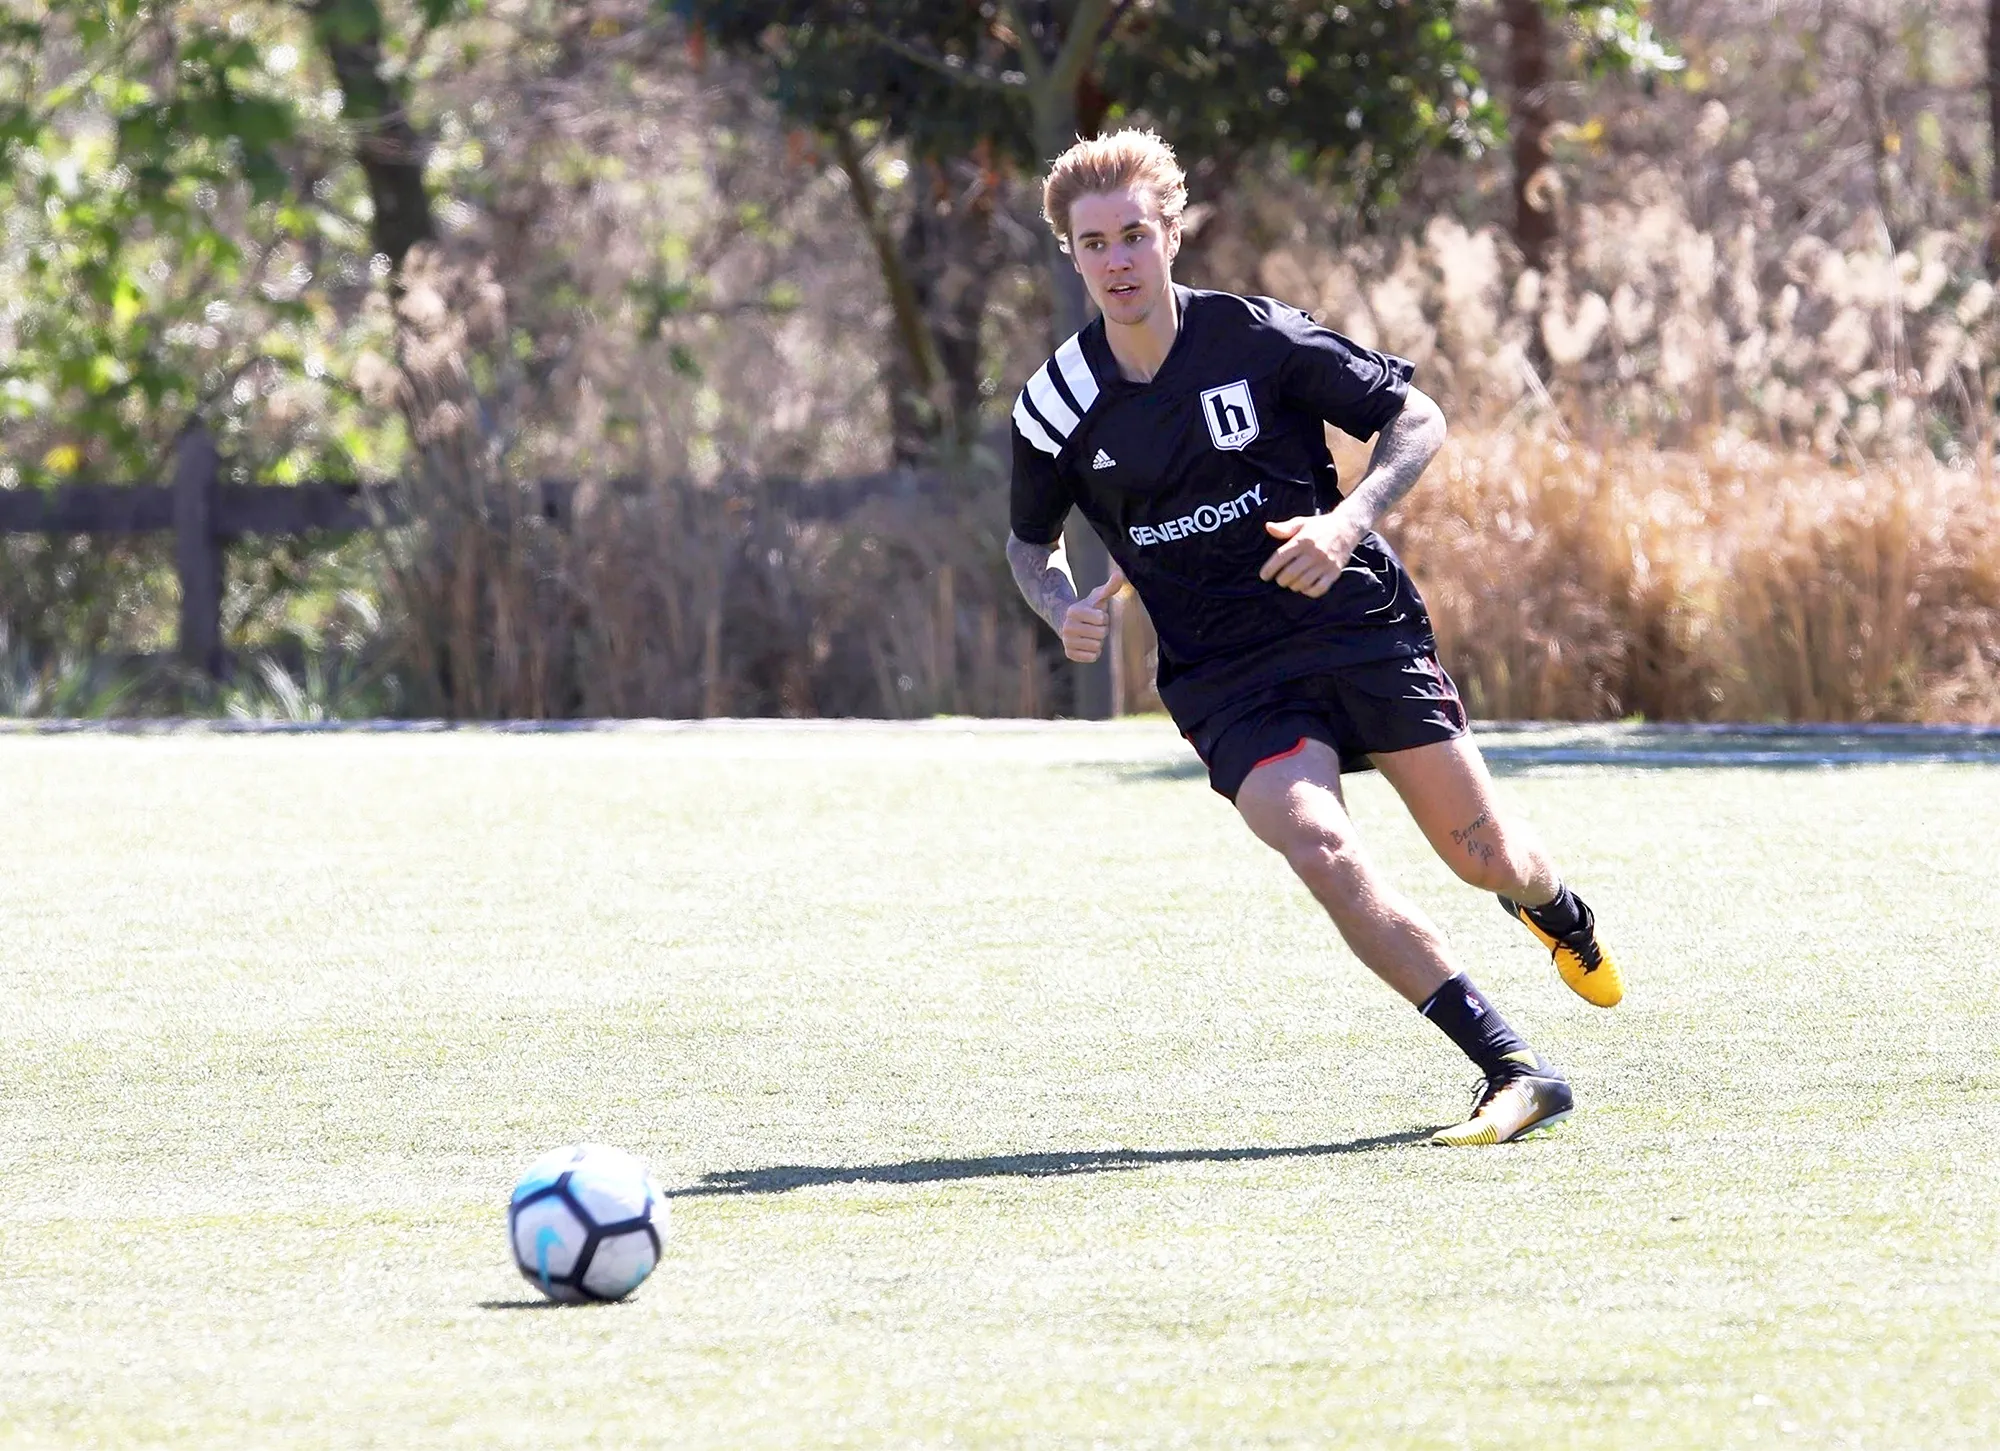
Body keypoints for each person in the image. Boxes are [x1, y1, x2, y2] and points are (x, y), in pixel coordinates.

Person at [1004, 129, 1625, 1147]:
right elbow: (1029, 548)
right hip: (1226, 675)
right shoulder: (1056, 404)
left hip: (1348, 625)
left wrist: (1348, 521)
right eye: (1092, 243)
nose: (1116, 260)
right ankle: (1510, 1065)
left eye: (1133, 236)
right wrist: (1059, 603)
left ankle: (1550, 905)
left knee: (1485, 856)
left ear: (1170, 234)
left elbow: (1413, 418)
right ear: (1068, 254)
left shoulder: (1253, 338)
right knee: (1318, 843)